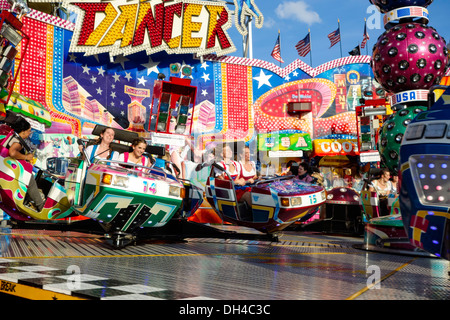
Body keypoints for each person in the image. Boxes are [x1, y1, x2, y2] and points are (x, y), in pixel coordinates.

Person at [2, 117, 44, 211]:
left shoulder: (13, 136)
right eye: (29, 131)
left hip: (8, 168)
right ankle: (41, 207)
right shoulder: (18, 142)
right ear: (23, 131)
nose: (30, 133)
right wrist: (26, 157)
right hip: (11, 170)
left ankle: (29, 202)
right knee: (30, 182)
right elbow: (12, 153)